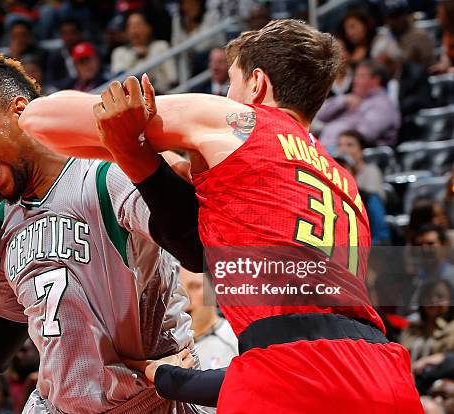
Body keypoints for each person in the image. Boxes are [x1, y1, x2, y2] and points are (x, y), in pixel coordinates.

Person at [23, 19, 423, 412]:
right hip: (384, 374)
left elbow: (42, 121)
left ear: (257, 83)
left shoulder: (239, 121)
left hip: (295, 376)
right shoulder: (343, 183)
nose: (225, 94)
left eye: (230, 83)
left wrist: (123, 138)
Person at [0, 51, 204, 414]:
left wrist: (141, 157)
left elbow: (198, 251)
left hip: (147, 402)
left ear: (19, 112)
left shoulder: (104, 173)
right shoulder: (4, 222)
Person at [314, 59, 401, 152]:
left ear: (376, 80)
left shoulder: (383, 105)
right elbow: (319, 115)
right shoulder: (352, 99)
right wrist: (342, 101)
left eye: (361, 76)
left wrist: (334, 141)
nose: (354, 81)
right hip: (326, 151)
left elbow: (364, 135)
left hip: (351, 157)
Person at [179, 269, 236, 369]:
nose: (186, 299)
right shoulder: (165, 349)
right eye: (178, 290)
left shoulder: (237, 341)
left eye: (195, 287)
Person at [111, 12, 177, 94]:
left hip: (160, 95)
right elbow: (119, 78)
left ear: (148, 28)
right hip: (132, 98)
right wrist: (135, 55)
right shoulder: (119, 52)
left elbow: (172, 77)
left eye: (138, 25)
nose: (134, 30)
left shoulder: (161, 46)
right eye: (130, 26)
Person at [400, 279, 454, 362]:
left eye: (440, 296)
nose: (433, 300)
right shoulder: (411, 328)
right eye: (428, 296)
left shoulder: (452, 328)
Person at [336, 130, 384, 199]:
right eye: (339, 145)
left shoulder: (371, 171)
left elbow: (372, 201)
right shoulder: (336, 172)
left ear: (361, 149)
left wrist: (349, 175)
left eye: (350, 145)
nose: (343, 149)